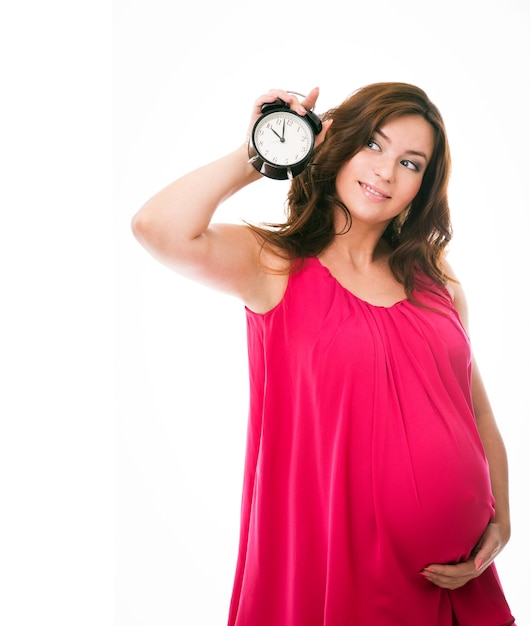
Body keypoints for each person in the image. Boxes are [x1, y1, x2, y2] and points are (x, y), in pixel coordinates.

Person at [131, 83, 516, 625]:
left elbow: (474, 411)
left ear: (422, 187)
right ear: (335, 145)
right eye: (373, 146)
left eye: (410, 162)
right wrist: (259, 153)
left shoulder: (439, 281)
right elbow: (156, 227)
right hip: (337, 574)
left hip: (456, 585)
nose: (386, 172)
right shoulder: (273, 264)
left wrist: (501, 519)